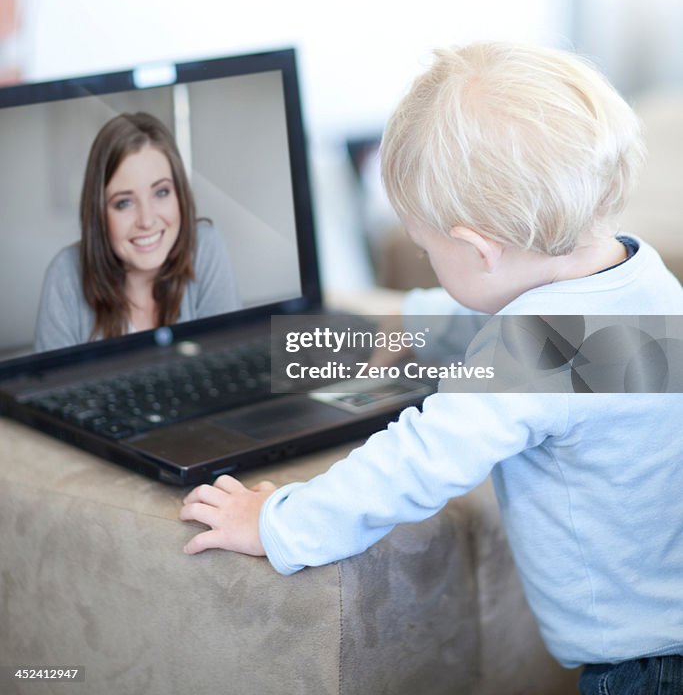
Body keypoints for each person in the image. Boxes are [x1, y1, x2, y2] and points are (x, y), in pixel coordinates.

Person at [179, 42, 683, 694]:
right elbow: (553, 331)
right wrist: (413, 321)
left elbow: (416, 461)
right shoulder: (643, 282)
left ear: (477, 249)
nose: (423, 261)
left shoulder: (531, 352)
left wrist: (279, 522)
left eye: (425, 251)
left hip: (643, 668)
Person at [34, 112, 240, 352]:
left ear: (179, 195)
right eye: (124, 203)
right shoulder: (66, 273)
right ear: (99, 213)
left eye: (161, 192)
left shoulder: (204, 247)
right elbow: (55, 387)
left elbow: (228, 362)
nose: (147, 220)